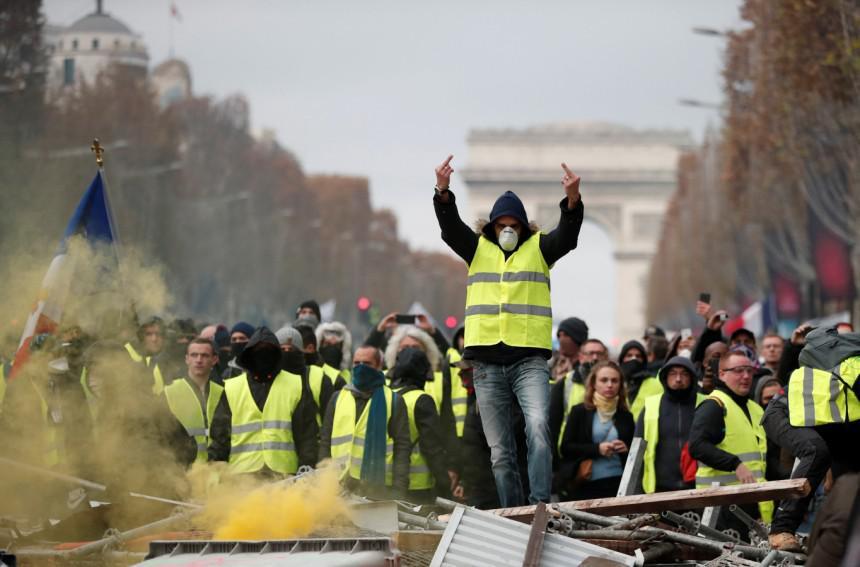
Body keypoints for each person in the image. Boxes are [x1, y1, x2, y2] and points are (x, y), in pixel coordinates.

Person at [433, 154, 584, 506]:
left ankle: (540, 505)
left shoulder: (541, 248)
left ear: (523, 226)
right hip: (485, 363)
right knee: (500, 451)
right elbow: (449, 228)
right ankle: (514, 512)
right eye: (501, 224)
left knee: (539, 432)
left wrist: (572, 201)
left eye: (514, 224)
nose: (507, 230)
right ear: (491, 227)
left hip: (528, 360)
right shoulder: (476, 249)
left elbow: (569, 236)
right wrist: (443, 191)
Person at [208, 327, 319, 477]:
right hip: (241, 477)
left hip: (284, 476)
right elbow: (220, 438)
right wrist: (215, 472)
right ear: (249, 355)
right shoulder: (231, 387)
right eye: (258, 350)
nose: (263, 355)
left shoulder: (296, 385)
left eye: (268, 350)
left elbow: (307, 436)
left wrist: (305, 469)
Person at [689, 350, 773, 535]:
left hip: (752, 503)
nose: (745, 376)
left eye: (749, 371)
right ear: (722, 374)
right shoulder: (714, 405)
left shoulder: (755, 408)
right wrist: (735, 464)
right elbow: (697, 446)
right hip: (719, 506)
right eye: (738, 371)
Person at [319, 344, 410, 498]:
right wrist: (322, 480)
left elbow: (402, 448)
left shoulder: (394, 401)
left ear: (379, 366)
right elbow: (325, 442)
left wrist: (399, 490)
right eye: (356, 363)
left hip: (377, 488)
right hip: (338, 486)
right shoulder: (337, 398)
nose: (361, 367)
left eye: (367, 364)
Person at [387, 347, 456, 502]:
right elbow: (432, 448)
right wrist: (445, 486)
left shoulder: (386, 397)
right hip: (418, 487)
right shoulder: (422, 400)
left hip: (387, 482)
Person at [559, 361, 633, 500]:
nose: (610, 385)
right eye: (604, 380)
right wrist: (597, 449)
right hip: (587, 483)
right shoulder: (580, 411)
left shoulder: (626, 416)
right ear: (594, 383)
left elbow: (633, 454)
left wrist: (626, 449)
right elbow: (566, 448)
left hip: (618, 484)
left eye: (614, 380)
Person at [635, 356, 706, 493]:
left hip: (699, 487)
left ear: (692, 378)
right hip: (660, 489)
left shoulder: (706, 403)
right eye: (673, 373)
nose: (678, 379)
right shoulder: (651, 405)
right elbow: (638, 451)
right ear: (665, 377)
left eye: (684, 374)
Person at [163, 338, 225, 464]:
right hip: (183, 469)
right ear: (187, 359)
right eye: (194, 355)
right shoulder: (169, 392)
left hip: (217, 468)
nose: (199, 360)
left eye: (204, 355)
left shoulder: (223, 392)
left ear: (214, 360)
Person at [276, 325, 333, 423]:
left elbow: (330, 418)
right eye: (282, 349)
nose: (287, 353)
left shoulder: (318, 377)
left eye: (291, 349)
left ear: (300, 351)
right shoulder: (270, 378)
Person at [124, 316, 166, 395]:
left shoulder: (171, 362)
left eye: (158, 334)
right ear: (141, 337)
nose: (154, 339)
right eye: (149, 334)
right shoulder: (126, 357)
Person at [551, 317, 588, 381]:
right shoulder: (555, 364)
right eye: (559, 335)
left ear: (577, 339)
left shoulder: (586, 368)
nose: (561, 339)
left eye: (565, 335)